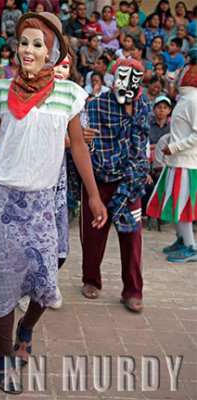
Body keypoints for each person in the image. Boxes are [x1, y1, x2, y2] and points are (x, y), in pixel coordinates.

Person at [0, 13, 107, 393]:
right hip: (3, 203)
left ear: (52, 52)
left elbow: (77, 146)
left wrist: (94, 195)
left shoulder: (69, 95)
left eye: (37, 44)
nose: (27, 50)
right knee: (6, 281)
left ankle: (27, 328)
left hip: (43, 202)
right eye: (23, 42)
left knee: (46, 282)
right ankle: (5, 352)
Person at [80, 58, 150, 312]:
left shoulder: (144, 105)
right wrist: (90, 188)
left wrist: (140, 168)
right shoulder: (97, 105)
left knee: (132, 237)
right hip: (99, 178)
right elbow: (84, 144)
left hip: (130, 180)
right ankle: (91, 279)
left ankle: (132, 291)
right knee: (93, 234)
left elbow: (140, 143)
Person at [146, 64, 197, 263]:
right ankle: (182, 239)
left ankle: (191, 246)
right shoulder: (185, 99)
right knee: (172, 203)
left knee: (182, 206)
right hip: (176, 161)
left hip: (186, 163)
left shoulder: (193, 101)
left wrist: (174, 148)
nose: (173, 79)